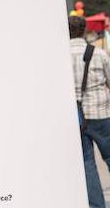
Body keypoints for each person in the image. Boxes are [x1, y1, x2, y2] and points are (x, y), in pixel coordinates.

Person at [70, 16, 110, 208]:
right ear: (84, 30)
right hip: (101, 114)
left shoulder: (60, 55)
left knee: (88, 164)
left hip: (77, 118)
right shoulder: (99, 54)